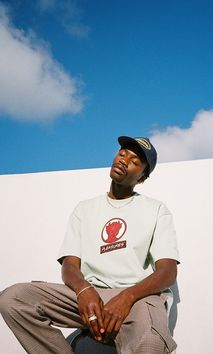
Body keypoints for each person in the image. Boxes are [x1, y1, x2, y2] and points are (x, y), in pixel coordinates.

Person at [0, 136, 180, 354]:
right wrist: (84, 290)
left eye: (134, 161)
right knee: (14, 299)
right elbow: (70, 265)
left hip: (138, 297)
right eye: (122, 153)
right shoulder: (84, 209)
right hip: (91, 293)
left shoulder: (156, 209)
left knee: (150, 344)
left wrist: (127, 297)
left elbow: (168, 272)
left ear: (142, 177)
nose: (123, 160)